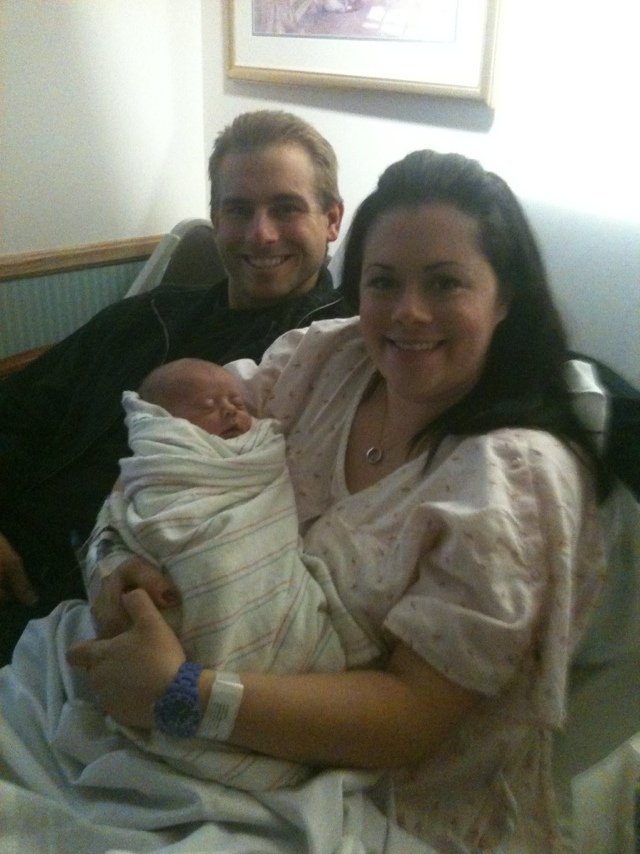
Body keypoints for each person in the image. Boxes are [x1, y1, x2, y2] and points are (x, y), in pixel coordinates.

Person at [0, 149, 611, 853]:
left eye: (445, 283)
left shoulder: (516, 480)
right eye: (383, 282)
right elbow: (165, 447)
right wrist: (111, 566)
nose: (408, 313)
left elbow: (412, 718)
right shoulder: (327, 358)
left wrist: (182, 694)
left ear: (504, 298)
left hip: (360, 786)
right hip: (153, 688)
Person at [0, 109, 347, 665]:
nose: (261, 233)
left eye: (286, 208)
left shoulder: (335, 355)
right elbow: (18, 408)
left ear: (332, 219)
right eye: (238, 209)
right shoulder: (149, 316)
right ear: (215, 220)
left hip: (107, 616)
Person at [85, 357, 378, 788]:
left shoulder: (260, 449)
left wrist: (183, 691)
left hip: (308, 703)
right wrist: (107, 562)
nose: (231, 411)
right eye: (208, 406)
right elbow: (132, 490)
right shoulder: (299, 361)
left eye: (238, 404)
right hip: (153, 634)